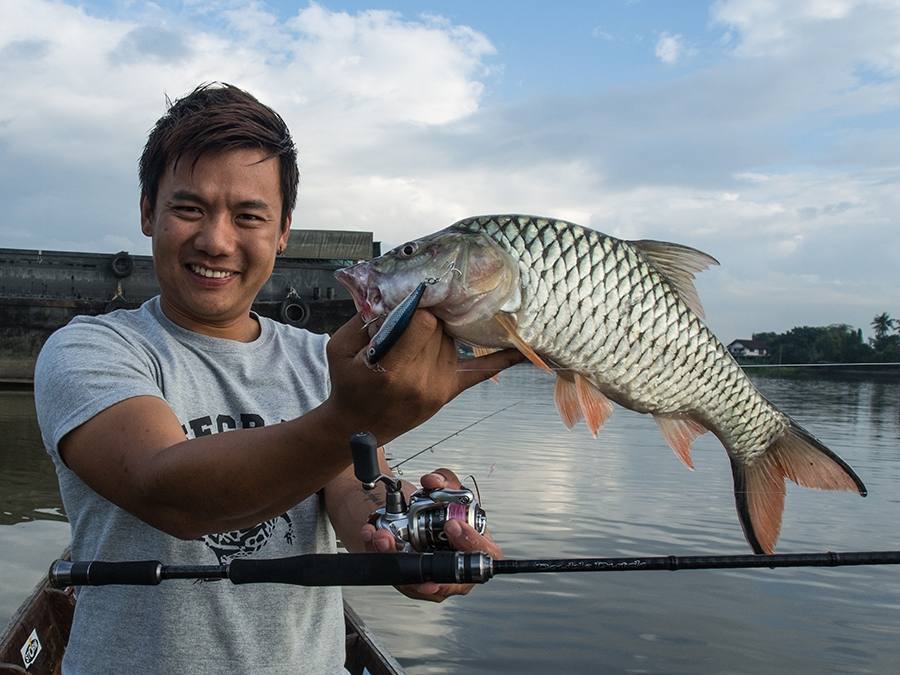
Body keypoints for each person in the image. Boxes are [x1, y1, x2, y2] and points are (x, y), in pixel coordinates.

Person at [34, 83, 522, 674]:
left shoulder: (321, 361)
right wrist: (352, 417)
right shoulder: (92, 349)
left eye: (248, 216)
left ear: (283, 230)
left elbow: (353, 491)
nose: (216, 240)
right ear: (147, 212)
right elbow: (167, 491)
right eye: (189, 208)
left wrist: (405, 537)